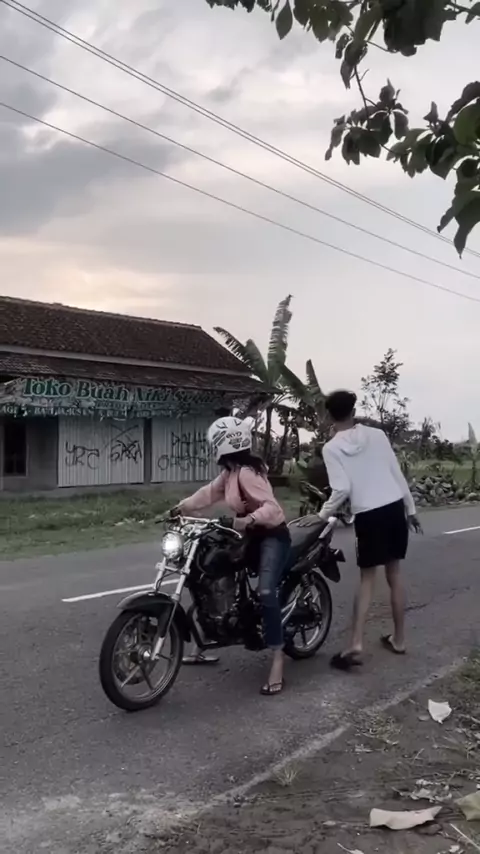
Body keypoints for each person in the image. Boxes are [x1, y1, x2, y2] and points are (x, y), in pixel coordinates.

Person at [174, 416, 291, 696]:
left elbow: (272, 509)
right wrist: (180, 508)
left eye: (214, 443)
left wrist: (246, 520)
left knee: (266, 591)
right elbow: (207, 494)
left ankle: (278, 659)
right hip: (248, 535)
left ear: (223, 444)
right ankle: (205, 641)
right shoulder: (230, 472)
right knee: (207, 572)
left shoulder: (248, 473)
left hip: (271, 535)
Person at [317, 390, 422, 671]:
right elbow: (396, 472)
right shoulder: (377, 435)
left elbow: (341, 489)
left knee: (367, 580)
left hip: (368, 514)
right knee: (394, 574)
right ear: (354, 411)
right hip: (394, 507)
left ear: (329, 415)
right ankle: (399, 640)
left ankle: (355, 643)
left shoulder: (331, 448)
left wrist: (321, 516)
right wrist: (410, 510)